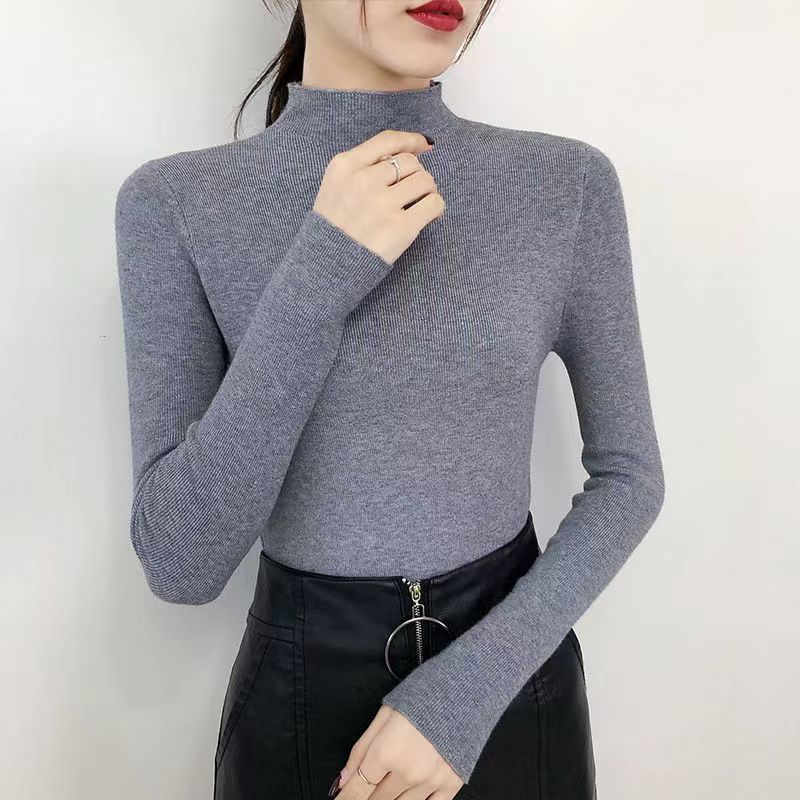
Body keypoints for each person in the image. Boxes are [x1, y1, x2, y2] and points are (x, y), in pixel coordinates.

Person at [113, 1, 665, 798]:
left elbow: (630, 479)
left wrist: (460, 698)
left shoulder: (563, 185)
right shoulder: (175, 202)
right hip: (298, 705)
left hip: (510, 691)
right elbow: (180, 563)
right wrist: (320, 272)